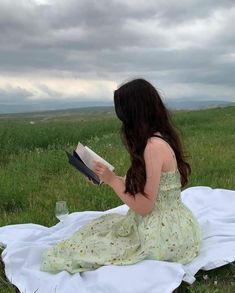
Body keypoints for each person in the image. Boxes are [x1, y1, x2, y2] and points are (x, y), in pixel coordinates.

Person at [40, 78, 203, 273]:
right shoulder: (158, 137)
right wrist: (108, 177)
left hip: (163, 232)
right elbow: (153, 185)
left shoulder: (153, 147)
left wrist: (112, 181)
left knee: (90, 247)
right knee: (98, 229)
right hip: (175, 222)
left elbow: (144, 207)